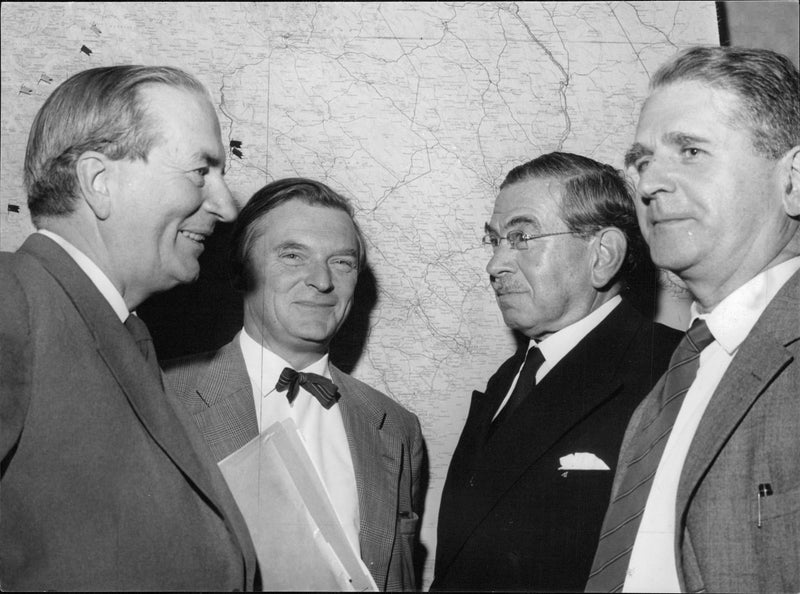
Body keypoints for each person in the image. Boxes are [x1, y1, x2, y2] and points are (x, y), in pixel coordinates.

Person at [0, 66, 258, 589]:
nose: (227, 207)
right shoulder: (13, 299)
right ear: (100, 183)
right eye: (200, 171)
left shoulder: (120, 332)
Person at [586, 46, 800, 593]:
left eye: (690, 151)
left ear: (794, 180)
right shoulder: (669, 387)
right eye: (642, 162)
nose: (649, 184)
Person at [432, 152, 681, 592]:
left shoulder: (672, 370)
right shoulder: (508, 379)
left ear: (602, 255)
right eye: (495, 240)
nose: (494, 265)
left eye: (522, 237)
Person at [164, 177, 424, 591]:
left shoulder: (395, 428)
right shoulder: (160, 396)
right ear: (241, 272)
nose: (322, 280)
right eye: (292, 255)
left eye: (342, 262)